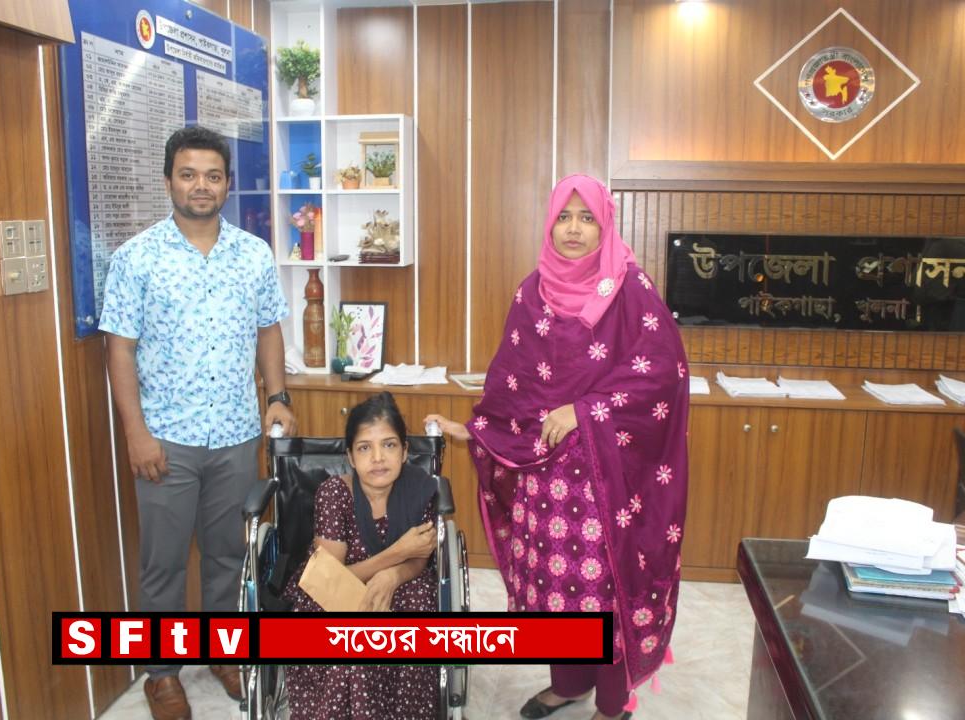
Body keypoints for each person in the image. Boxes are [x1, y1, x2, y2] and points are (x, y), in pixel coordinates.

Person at [426, 174, 689, 720]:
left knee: (601, 591)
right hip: (542, 475)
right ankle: (569, 683)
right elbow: (513, 380)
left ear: (605, 225)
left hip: (605, 478)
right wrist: (476, 429)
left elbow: (662, 375)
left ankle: (613, 703)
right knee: (555, 584)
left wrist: (584, 411)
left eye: (586, 217)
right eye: (563, 217)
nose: (573, 229)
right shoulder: (533, 291)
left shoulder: (630, 290)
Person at [98, 125, 297, 720]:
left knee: (228, 556)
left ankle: (224, 654)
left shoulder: (253, 254)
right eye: (188, 174)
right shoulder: (136, 258)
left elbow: (268, 328)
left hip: (236, 433)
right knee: (162, 564)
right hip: (166, 439)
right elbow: (119, 350)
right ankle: (161, 675)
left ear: (228, 184)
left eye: (212, 175)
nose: (201, 186)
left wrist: (278, 396)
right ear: (169, 181)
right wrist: (135, 433)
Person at [284, 392, 440, 719]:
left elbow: (420, 556)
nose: (378, 458)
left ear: (405, 451)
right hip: (330, 588)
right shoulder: (334, 494)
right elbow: (328, 581)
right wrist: (395, 554)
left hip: (400, 580)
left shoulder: (419, 488)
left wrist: (393, 575)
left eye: (389, 445)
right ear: (351, 458)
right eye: (365, 448)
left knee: (421, 605)